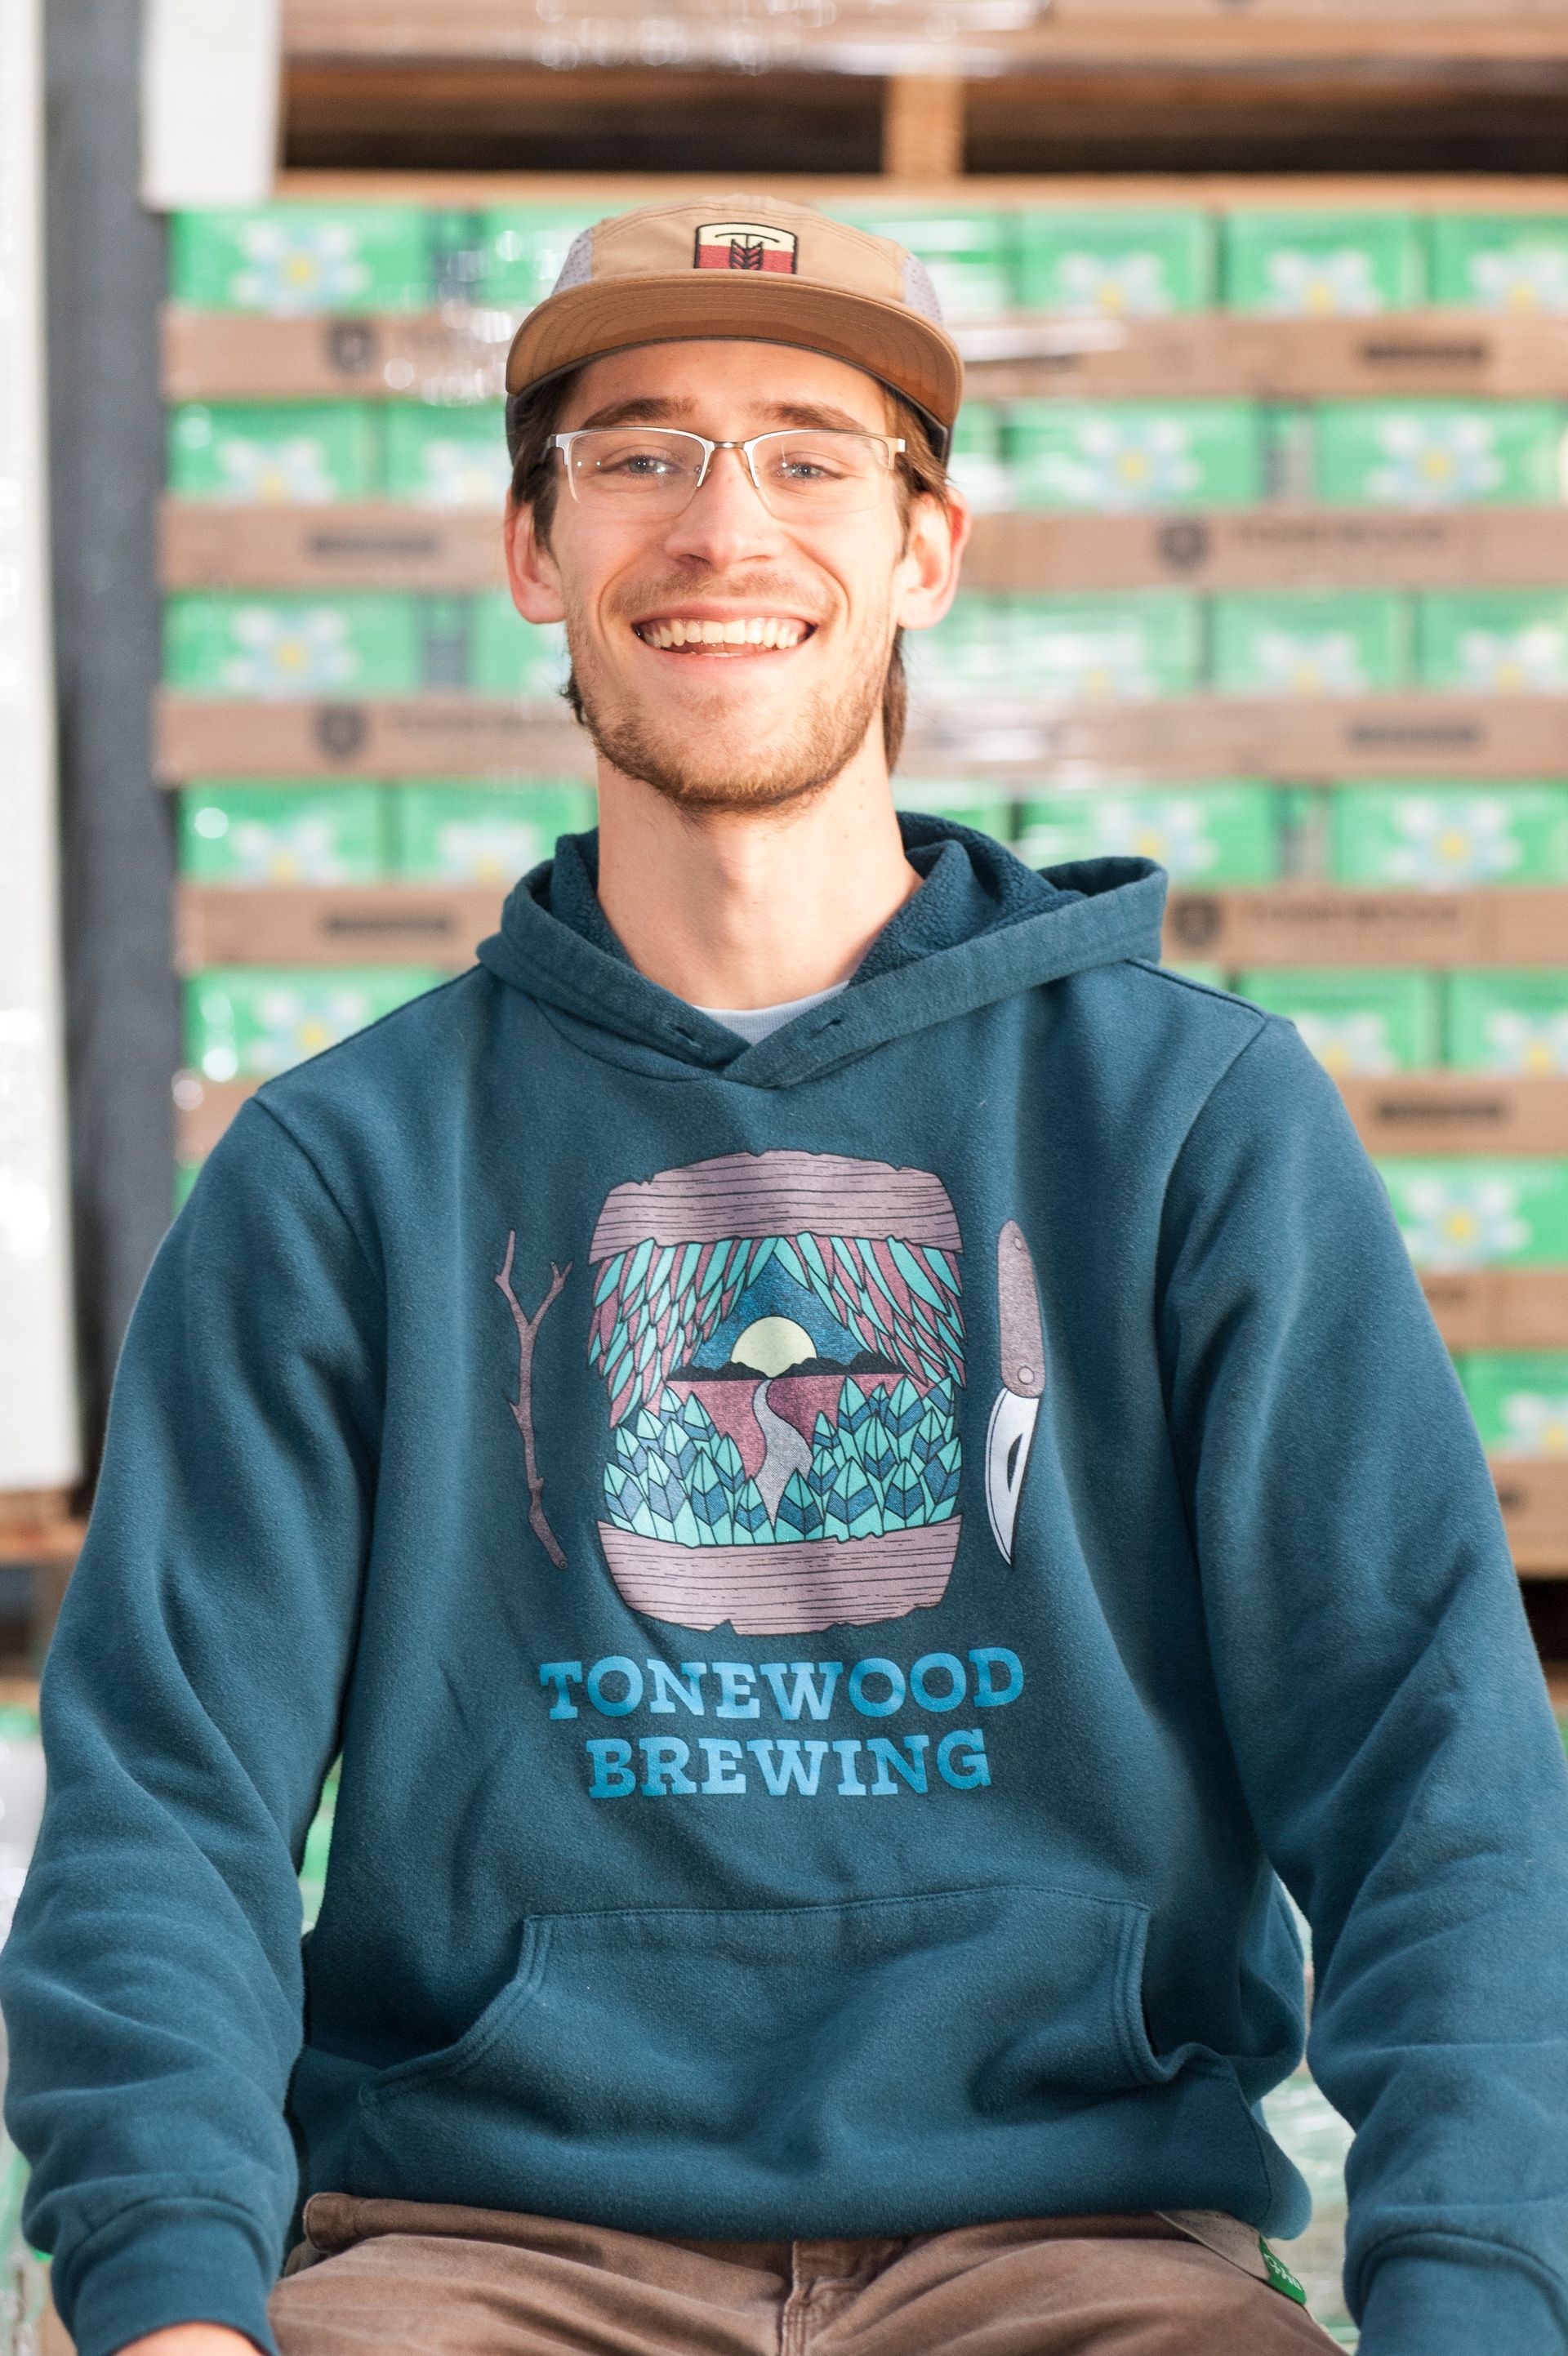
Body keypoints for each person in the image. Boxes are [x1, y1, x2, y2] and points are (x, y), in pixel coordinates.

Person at [5, 192, 1567, 2356]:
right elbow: (167, 1803)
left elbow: (1437, 1775)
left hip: (1083, 2248)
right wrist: (176, 2303)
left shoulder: (1199, 1125)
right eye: (638, 452)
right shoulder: (338, 1171)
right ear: (534, 554)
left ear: (927, 549)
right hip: (467, 2243)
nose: (722, 526)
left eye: (809, 455)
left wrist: (1474, 2298)